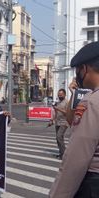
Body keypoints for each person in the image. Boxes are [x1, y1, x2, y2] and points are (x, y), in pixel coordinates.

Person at [50, 41, 99, 197]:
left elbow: (77, 157)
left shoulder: (92, 101)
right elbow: (71, 119)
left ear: (84, 69)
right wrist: (74, 93)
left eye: (78, 70)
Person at [48, 89, 68, 160]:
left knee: (59, 137)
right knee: (58, 138)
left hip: (64, 122)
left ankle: (64, 154)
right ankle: (61, 153)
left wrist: (58, 109)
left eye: (61, 95)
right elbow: (55, 112)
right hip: (57, 122)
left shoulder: (67, 102)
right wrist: (52, 120)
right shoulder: (58, 102)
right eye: (59, 95)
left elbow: (67, 113)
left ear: (64, 95)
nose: (60, 96)